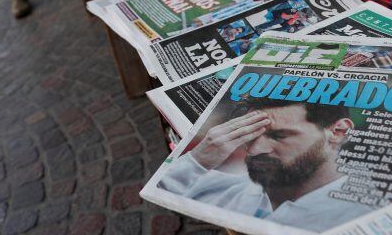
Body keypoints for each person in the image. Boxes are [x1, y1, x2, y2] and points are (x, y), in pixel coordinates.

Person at [158, 98, 374, 232]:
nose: (254, 150)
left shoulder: (365, 212)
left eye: (279, 136)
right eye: (250, 135)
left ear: (338, 132)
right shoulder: (232, 189)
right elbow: (161, 190)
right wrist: (199, 159)